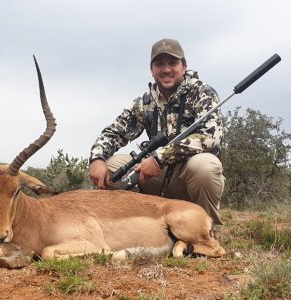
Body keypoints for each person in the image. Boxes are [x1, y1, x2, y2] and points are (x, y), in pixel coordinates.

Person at [89, 38, 225, 238]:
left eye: (173, 63)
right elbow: (115, 132)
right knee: (109, 167)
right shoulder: (144, 102)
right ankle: (137, 231)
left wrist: (161, 158)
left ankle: (207, 233)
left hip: (187, 175)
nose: (166, 69)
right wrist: (97, 158)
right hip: (154, 177)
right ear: (152, 69)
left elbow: (211, 137)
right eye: (159, 64)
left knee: (205, 166)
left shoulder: (202, 93)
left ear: (184, 66)